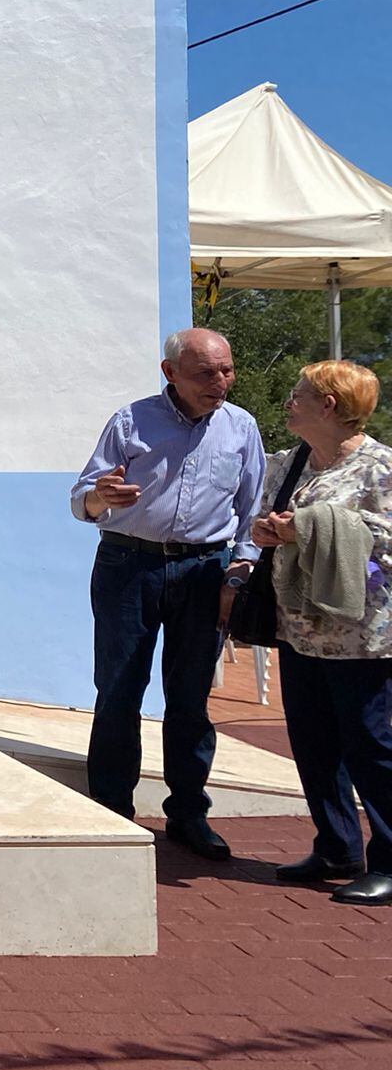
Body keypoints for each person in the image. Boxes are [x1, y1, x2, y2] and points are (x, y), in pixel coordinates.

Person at [71, 327, 264, 860]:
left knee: (190, 699)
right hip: (128, 565)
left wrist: (238, 573)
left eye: (226, 370)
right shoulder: (131, 421)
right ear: (170, 372)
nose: (219, 382)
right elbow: (81, 498)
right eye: (206, 372)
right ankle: (111, 812)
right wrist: (98, 498)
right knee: (118, 690)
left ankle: (188, 814)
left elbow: (249, 512)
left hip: (205, 570)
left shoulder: (241, 427)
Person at [250, 360, 392, 905]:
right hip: (300, 625)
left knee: (369, 745)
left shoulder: (380, 468)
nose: (289, 401)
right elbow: (268, 520)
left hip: (361, 633)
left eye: (299, 394)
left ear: (328, 405)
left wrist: (307, 527)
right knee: (313, 744)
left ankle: (390, 859)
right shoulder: (291, 464)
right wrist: (269, 532)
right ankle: (336, 847)